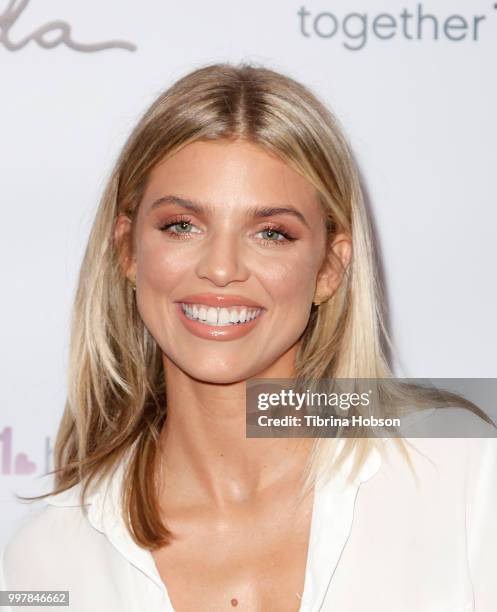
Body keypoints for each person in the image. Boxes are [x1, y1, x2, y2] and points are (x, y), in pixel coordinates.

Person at [1, 61, 496, 612]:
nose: (220, 267)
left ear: (330, 268)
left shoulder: (463, 470)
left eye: (271, 233)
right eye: (182, 225)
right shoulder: (45, 561)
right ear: (127, 250)